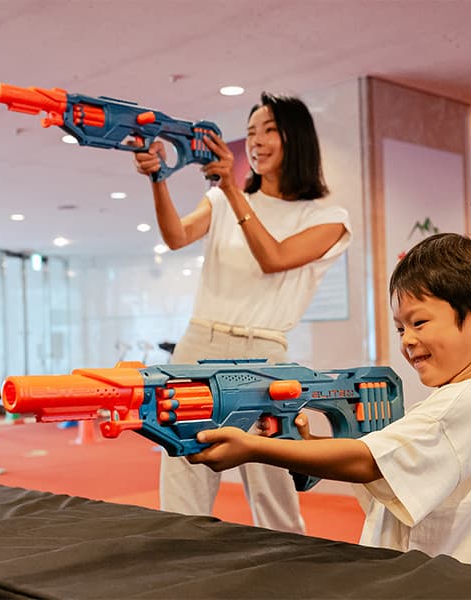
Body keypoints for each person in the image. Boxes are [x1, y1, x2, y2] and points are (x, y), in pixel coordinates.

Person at [188, 233, 471, 569]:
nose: (408, 340)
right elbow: (386, 468)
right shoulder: (467, 399)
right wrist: (309, 445)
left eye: (419, 322)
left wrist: (253, 448)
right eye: (400, 329)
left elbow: (369, 462)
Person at [133, 92, 352, 534]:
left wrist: (231, 188)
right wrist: (158, 178)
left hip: (264, 351)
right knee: (183, 459)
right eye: (251, 131)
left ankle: (290, 563)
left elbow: (274, 258)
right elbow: (176, 237)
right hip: (198, 343)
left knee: (271, 471)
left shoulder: (328, 217)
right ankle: (181, 562)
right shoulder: (219, 203)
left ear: (297, 138)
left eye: (270, 129)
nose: (257, 141)